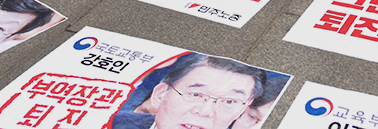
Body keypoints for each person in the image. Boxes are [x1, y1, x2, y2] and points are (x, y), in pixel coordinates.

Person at [113, 54, 265, 129]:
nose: (206, 111)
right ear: (160, 95)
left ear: (243, 109)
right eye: (196, 95)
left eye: (229, 101)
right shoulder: (112, 122)